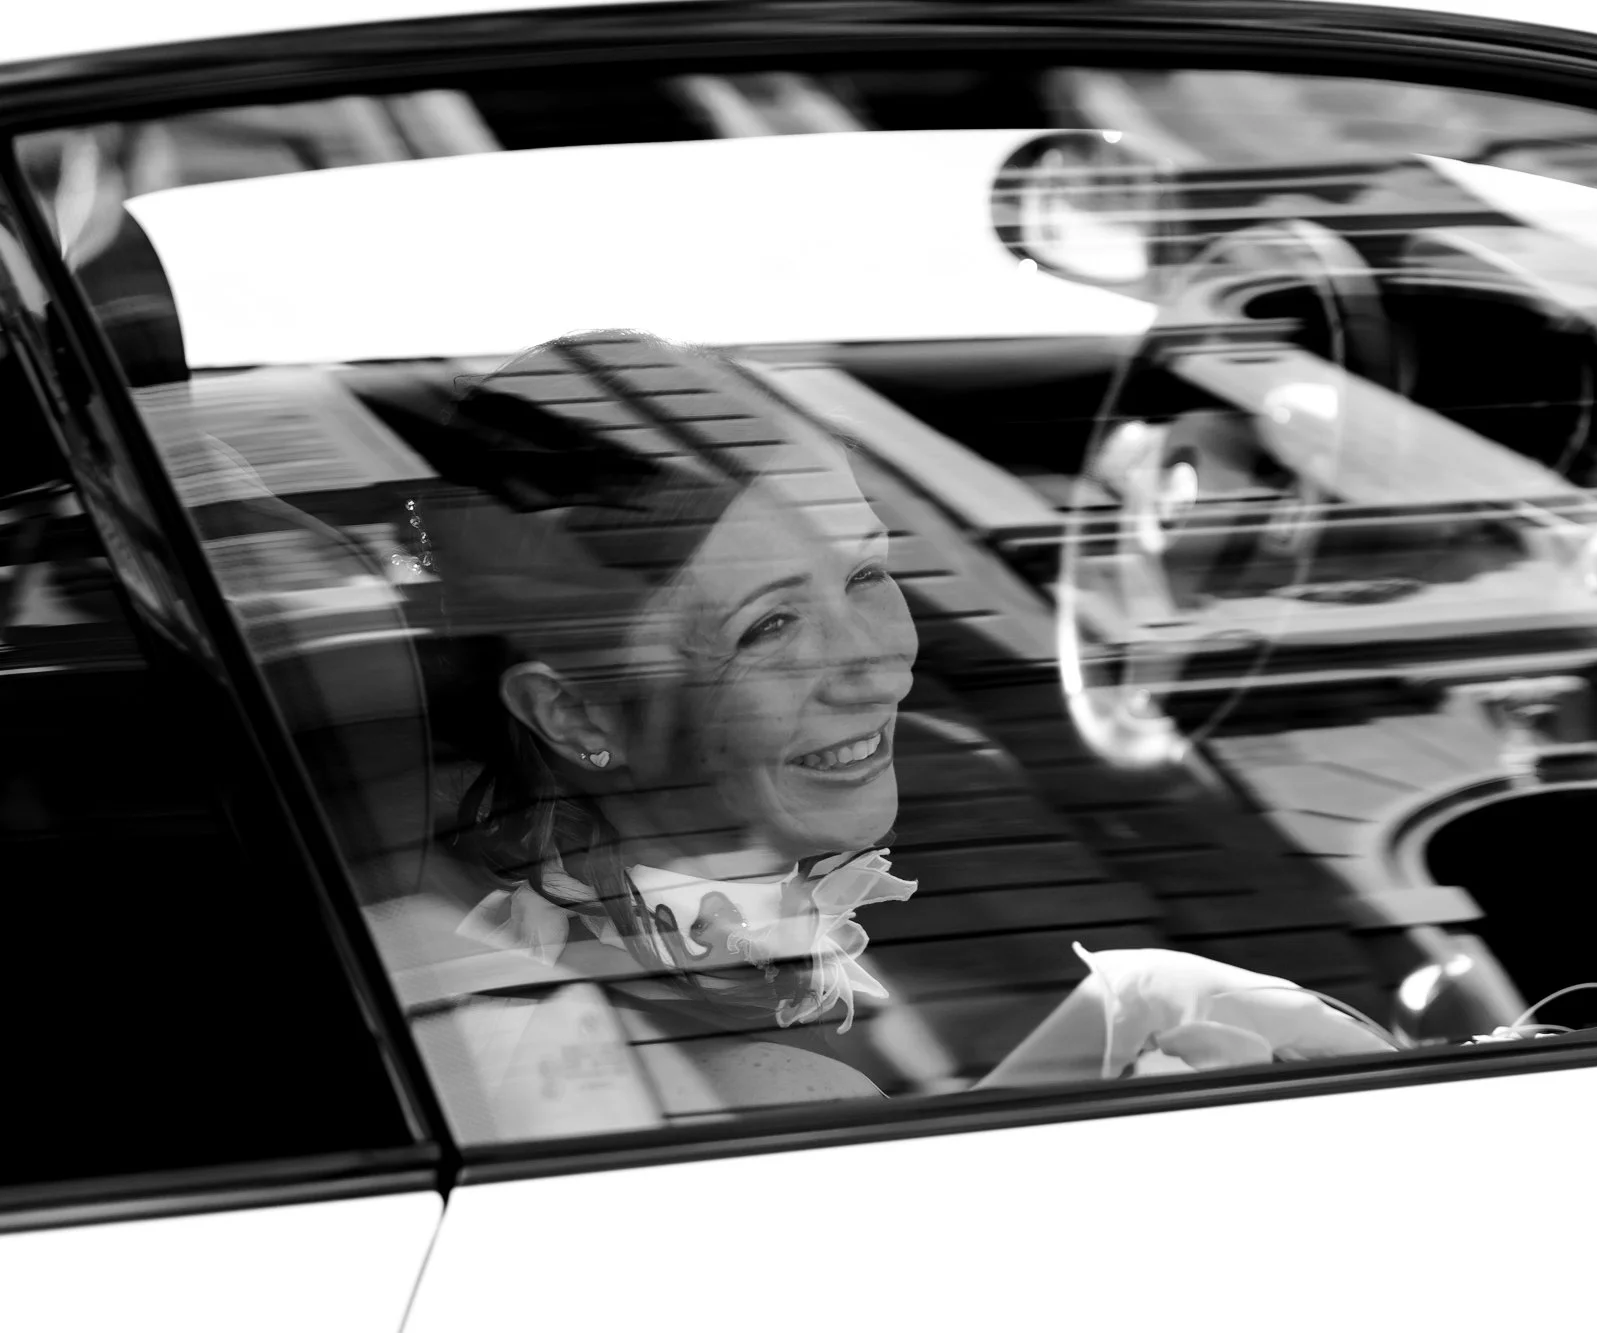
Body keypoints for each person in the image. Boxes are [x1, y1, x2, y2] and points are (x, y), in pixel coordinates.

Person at [395, 328, 1395, 1131]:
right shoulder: (725, 1076)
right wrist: (1140, 1005)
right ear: (574, 714)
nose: (879, 661)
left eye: (868, 573)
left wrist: (1142, 1002)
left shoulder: (814, 847)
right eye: (771, 625)